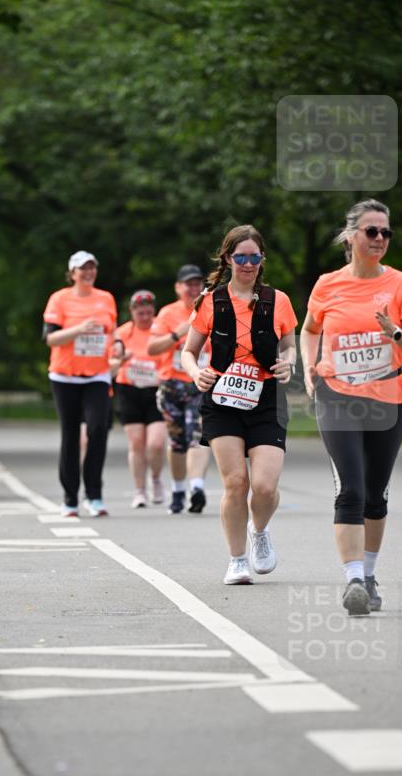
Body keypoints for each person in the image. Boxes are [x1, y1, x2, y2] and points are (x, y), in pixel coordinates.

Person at [300, 199, 402, 615]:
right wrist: (310, 369)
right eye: (371, 231)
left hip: (388, 398)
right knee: (350, 488)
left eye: (386, 233)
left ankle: (369, 574)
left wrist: (392, 332)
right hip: (338, 395)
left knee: (376, 494)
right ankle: (353, 579)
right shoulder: (327, 284)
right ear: (351, 236)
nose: (379, 240)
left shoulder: (401, 285)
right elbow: (309, 329)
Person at [181, 225, 297, 584]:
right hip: (222, 397)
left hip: (266, 399)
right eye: (241, 256)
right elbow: (189, 351)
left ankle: (259, 531)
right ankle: (236, 560)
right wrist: (195, 373)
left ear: (262, 259)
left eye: (255, 257)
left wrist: (289, 361)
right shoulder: (209, 301)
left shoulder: (278, 300)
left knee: (264, 486)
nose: (248, 264)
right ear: (228, 258)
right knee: (235, 482)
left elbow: (290, 345)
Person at [43, 251, 117, 517]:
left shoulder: (106, 298)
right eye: (82, 268)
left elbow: (113, 330)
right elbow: (50, 339)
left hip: (97, 375)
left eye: (92, 268)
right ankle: (70, 498)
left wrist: (117, 346)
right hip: (64, 376)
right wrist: (79, 329)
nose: (88, 272)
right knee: (70, 435)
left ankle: (94, 494)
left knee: (98, 429)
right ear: (72, 273)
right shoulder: (59, 299)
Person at [147, 264, 211, 514]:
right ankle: (177, 489)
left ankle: (197, 487)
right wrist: (178, 334)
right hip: (172, 384)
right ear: (178, 288)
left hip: (201, 381)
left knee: (197, 436)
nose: (193, 288)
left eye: (198, 284)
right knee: (177, 442)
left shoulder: (211, 309)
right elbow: (152, 349)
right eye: (189, 284)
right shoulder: (167, 314)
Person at [112, 290, 167, 508]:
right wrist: (121, 358)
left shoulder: (160, 330)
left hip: (156, 389)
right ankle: (139, 490)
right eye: (140, 312)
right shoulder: (123, 332)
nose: (144, 317)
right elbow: (111, 362)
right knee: (136, 443)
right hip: (130, 389)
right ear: (132, 312)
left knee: (155, 443)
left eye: (148, 312)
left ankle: (155, 478)